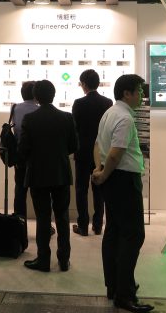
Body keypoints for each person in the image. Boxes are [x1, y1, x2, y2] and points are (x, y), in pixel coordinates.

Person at [92, 74, 153, 313]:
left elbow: (97, 145)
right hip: (124, 181)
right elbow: (116, 153)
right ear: (127, 93)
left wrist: (99, 170)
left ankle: (115, 286)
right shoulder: (125, 117)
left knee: (114, 233)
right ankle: (124, 294)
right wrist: (104, 173)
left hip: (112, 179)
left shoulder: (109, 113)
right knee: (133, 235)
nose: (142, 95)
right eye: (139, 91)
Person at [18, 80, 78, 272]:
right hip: (61, 173)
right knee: (62, 217)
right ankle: (64, 259)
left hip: (38, 174)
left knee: (43, 218)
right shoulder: (66, 117)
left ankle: (43, 260)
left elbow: (23, 149)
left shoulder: (29, 118)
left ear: (36, 97)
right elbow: (73, 146)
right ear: (53, 94)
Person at [72, 69, 112, 237]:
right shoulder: (107, 102)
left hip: (82, 152)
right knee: (99, 189)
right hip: (101, 152)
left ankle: (82, 226)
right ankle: (97, 225)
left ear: (84, 84)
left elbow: (75, 128)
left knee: (81, 189)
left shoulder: (79, 103)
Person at [11, 81, 38, 219]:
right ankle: (43, 225)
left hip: (20, 154)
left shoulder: (15, 108)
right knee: (38, 192)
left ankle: (19, 224)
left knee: (20, 191)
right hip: (36, 156)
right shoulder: (39, 109)